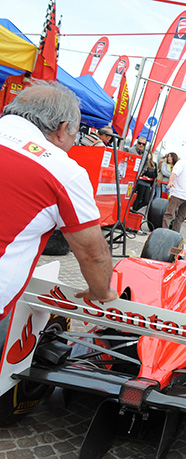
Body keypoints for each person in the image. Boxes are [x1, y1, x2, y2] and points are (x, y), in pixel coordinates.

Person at [0, 81, 117, 330]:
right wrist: (102, 291)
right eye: (74, 138)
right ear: (63, 129)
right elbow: (92, 253)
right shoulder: (63, 171)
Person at [162, 150, 186, 232]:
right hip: (177, 194)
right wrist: (171, 181)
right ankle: (163, 232)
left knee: (181, 218)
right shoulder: (182, 163)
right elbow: (174, 174)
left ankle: (175, 234)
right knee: (169, 214)